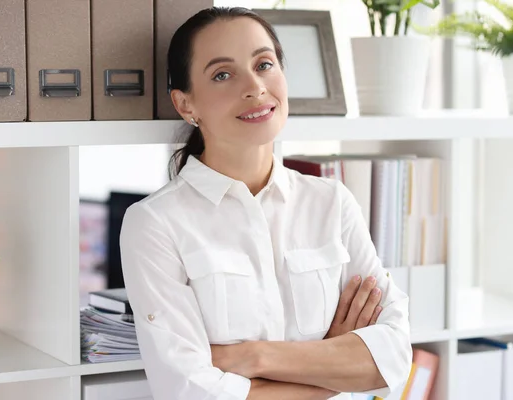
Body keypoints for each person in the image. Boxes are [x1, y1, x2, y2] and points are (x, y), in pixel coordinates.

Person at [119, 6, 412, 400]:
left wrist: (254, 358)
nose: (254, 86)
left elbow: (391, 358)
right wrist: (332, 364)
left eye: (264, 64)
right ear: (186, 105)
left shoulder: (331, 201)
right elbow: (189, 390)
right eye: (222, 74)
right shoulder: (154, 223)